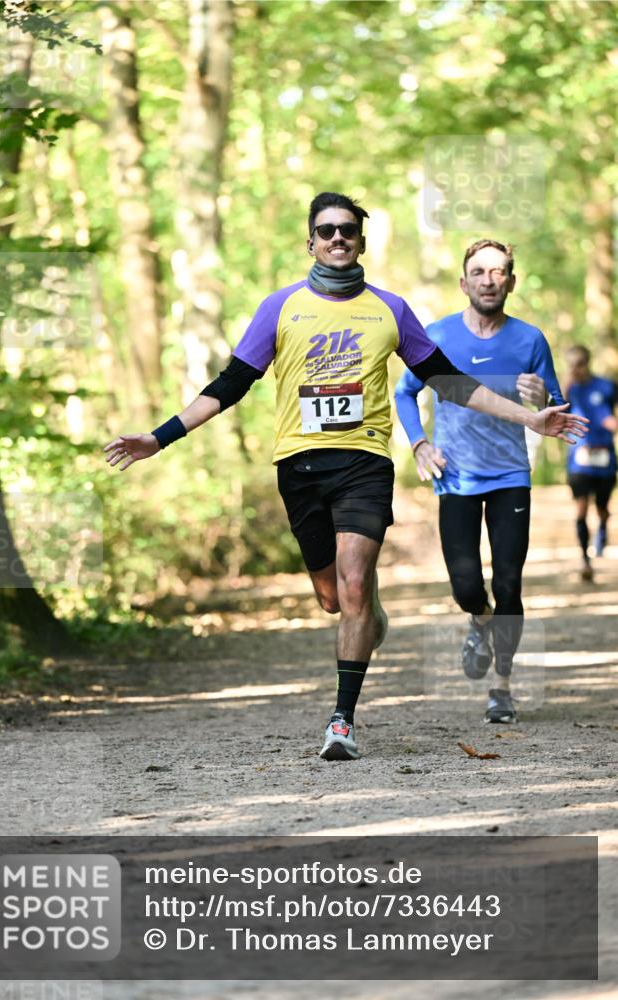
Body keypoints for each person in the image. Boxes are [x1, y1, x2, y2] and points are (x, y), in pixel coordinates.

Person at [105, 198, 587, 759]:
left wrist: (532, 417)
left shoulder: (390, 310)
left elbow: (448, 382)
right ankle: (368, 613)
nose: (338, 238)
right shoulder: (280, 308)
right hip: (300, 465)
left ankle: (342, 721)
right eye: (326, 230)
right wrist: (159, 437)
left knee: (354, 584)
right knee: (334, 598)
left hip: (365, 463)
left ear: (361, 242)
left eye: (348, 231)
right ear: (310, 242)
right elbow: (232, 382)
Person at [395, 239, 579, 724]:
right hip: (455, 476)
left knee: (511, 581)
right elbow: (404, 393)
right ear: (464, 282)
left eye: (499, 272)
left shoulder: (529, 340)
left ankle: (502, 687)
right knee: (466, 586)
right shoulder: (437, 337)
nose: (489, 279)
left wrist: (543, 396)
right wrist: (419, 443)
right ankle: (478, 620)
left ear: (511, 282)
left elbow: (556, 411)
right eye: (479, 271)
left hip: (510, 475)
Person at [565, 345, 617, 581]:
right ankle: (585, 560)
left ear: (587, 363)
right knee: (581, 508)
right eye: (571, 365)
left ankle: (604, 527)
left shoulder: (606, 386)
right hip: (580, 459)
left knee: (602, 508)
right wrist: (566, 385)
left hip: (604, 455)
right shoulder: (568, 388)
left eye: (579, 364)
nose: (575, 369)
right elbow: (553, 407)